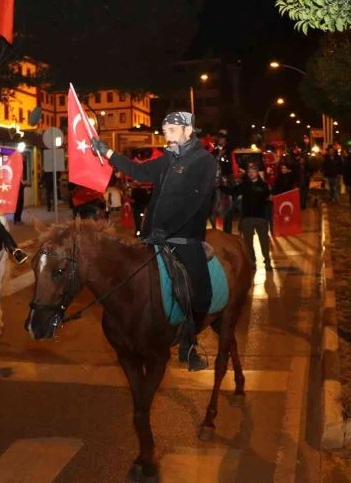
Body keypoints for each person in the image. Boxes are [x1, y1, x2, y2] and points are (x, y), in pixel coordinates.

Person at [91, 111, 217, 372]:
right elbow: (138, 171)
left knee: (203, 294)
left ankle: (189, 344)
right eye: (165, 129)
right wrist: (107, 152)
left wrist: (168, 230)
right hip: (153, 235)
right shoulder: (167, 159)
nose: (166, 134)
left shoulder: (203, 161)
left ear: (187, 131)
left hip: (184, 237)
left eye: (171, 129)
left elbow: (195, 203)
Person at [221, 163, 273, 271]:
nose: (251, 174)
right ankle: (251, 262)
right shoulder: (244, 185)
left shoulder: (263, 186)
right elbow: (233, 191)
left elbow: (269, 200)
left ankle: (267, 261)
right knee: (248, 242)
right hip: (247, 218)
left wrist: (267, 217)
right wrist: (220, 186)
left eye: (253, 172)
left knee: (264, 241)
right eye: (249, 172)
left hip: (260, 218)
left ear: (257, 172)